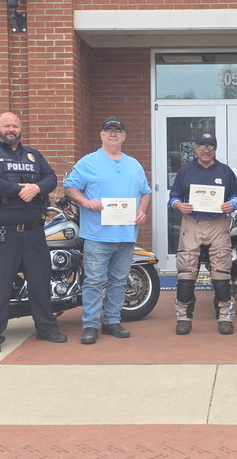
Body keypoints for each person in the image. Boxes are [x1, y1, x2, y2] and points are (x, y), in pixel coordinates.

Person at [0, 112, 67, 354]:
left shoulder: (33, 155)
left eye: (15, 125)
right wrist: (18, 190)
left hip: (33, 233)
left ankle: (46, 329)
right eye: (7, 125)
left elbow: (51, 178)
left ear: (20, 129)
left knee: (40, 284)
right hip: (0, 235)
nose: (11, 129)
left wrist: (36, 188)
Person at [64, 116, 152, 345]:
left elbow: (146, 192)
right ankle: (90, 325)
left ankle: (112, 321)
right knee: (94, 281)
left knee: (119, 280)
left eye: (117, 131)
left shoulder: (134, 165)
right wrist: (86, 202)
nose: (113, 134)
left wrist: (142, 211)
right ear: (102, 135)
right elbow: (69, 186)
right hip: (97, 235)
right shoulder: (88, 162)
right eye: (109, 130)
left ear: (124, 137)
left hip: (126, 234)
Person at [169, 133, 237, 335]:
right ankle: (183, 317)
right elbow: (173, 196)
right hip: (192, 223)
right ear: (195, 148)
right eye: (202, 146)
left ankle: (225, 316)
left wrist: (232, 204)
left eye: (210, 146)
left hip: (218, 223)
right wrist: (178, 205)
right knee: (186, 275)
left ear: (215, 149)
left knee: (221, 275)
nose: (206, 150)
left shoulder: (225, 171)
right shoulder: (185, 171)